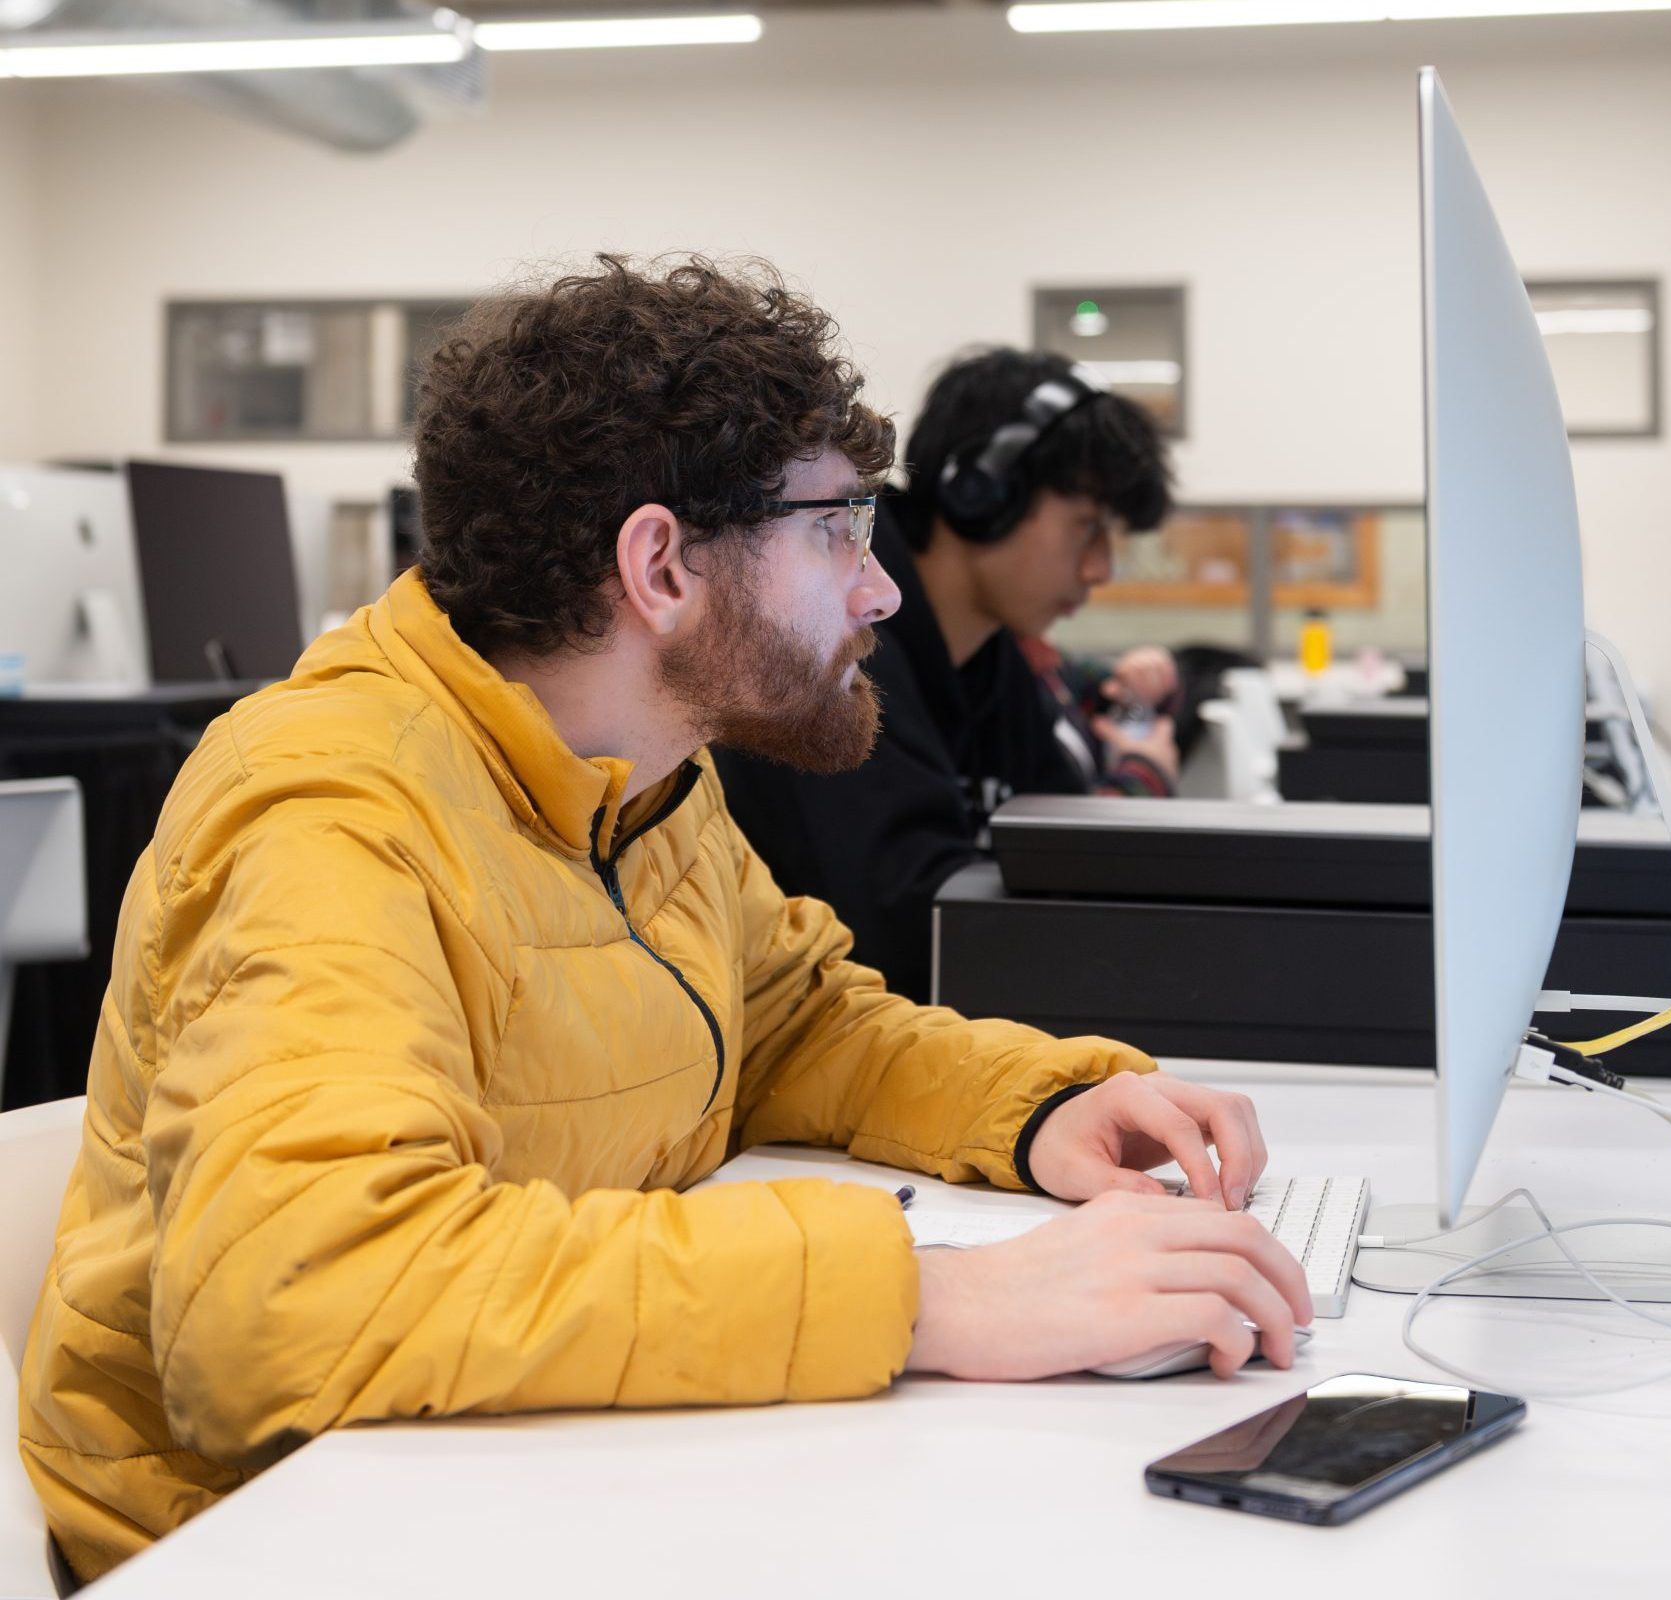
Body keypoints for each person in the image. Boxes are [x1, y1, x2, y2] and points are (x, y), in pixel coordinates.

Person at [18, 260, 1306, 1585]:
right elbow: (296, 1301)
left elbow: (787, 1024)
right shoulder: (335, 814)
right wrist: (929, 1295)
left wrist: (1040, 1107)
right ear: (660, 565)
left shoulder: (644, 773)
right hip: (276, 1535)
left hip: (506, 1461)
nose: (880, 594)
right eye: (834, 533)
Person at [717, 347, 1183, 1003]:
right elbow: (915, 930)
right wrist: (1142, 782)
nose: (1100, 569)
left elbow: (1054, 851)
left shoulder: (991, 658)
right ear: (983, 494)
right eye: (1087, 528)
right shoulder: (844, 643)